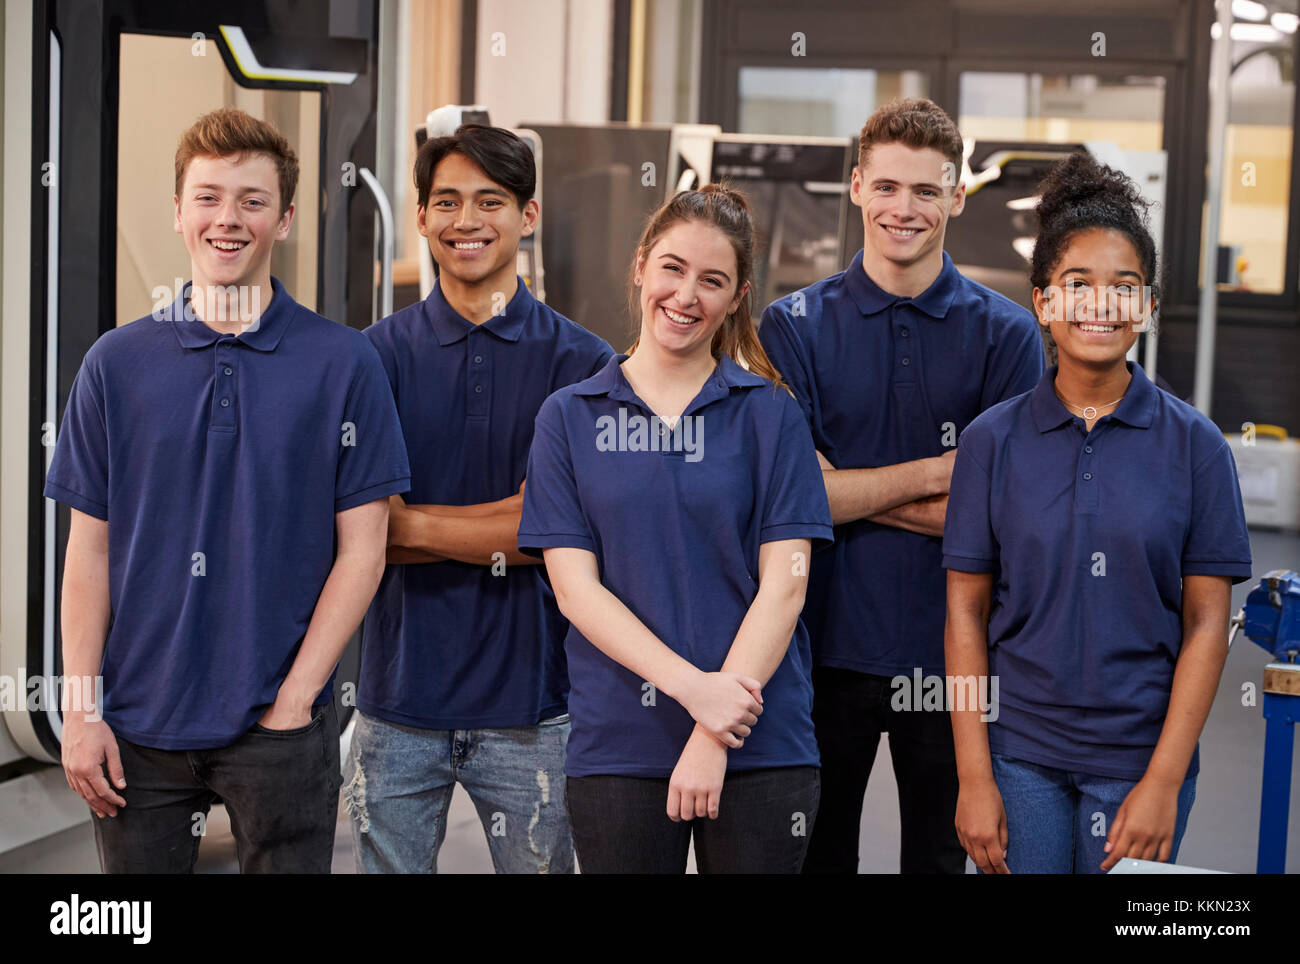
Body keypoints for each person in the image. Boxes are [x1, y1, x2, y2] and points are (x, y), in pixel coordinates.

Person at [47, 107, 410, 873]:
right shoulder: (116, 365)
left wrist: (294, 700)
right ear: (179, 212)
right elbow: (88, 554)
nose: (228, 219)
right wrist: (80, 711)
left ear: (283, 220)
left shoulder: (343, 365)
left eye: (252, 200)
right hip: (137, 726)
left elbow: (363, 551)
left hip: (280, 724)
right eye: (208, 197)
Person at [942, 152, 1252, 874]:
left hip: (1140, 757)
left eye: (1125, 287)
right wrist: (975, 775)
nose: (1100, 304)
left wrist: (1165, 780)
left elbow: (1208, 623)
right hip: (1017, 754)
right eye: (1076, 284)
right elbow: (964, 613)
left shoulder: (1196, 445)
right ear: (1043, 301)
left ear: (1146, 306)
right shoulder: (992, 440)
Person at [758, 98, 1045, 873]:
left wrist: (852, 493)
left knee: (941, 860)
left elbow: (1003, 515)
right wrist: (941, 474)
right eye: (886, 187)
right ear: (856, 187)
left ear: (956, 197)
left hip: (956, 653)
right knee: (816, 860)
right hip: (820, 650)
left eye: (926, 191)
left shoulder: (1008, 333)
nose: (903, 209)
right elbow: (798, 500)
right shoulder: (793, 325)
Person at [517, 184, 832, 874]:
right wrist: (699, 694)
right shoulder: (570, 418)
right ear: (640, 267)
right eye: (672, 268)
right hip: (621, 744)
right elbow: (577, 593)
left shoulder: (770, 415)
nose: (686, 295)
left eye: (712, 280)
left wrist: (716, 731)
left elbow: (785, 587)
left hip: (762, 741)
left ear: (737, 295)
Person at [346, 125, 613, 874]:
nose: (468, 220)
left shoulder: (584, 362)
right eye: (448, 201)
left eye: (490, 201)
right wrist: (503, 521)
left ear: (528, 215)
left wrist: (408, 522)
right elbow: (355, 531)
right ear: (423, 216)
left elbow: (554, 537)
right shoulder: (371, 358)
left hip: (537, 711)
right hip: (395, 704)